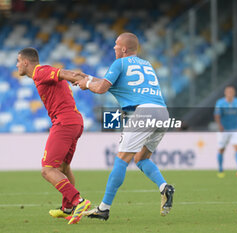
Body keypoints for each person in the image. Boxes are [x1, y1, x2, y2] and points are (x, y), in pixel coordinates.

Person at [74, 32, 174, 221]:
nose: (114, 48)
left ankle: (104, 208)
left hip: (143, 113)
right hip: (162, 112)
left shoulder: (119, 63)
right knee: (141, 158)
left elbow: (102, 88)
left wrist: (87, 83)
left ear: (124, 49)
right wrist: (87, 78)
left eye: (116, 45)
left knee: (121, 160)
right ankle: (164, 187)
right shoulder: (146, 64)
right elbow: (115, 84)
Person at [16, 47, 90, 224]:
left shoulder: (40, 71)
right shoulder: (42, 74)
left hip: (64, 122)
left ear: (26, 62)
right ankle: (67, 209)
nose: (17, 65)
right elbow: (63, 74)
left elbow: (61, 72)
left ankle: (78, 201)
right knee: (63, 168)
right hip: (75, 121)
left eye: (18, 61)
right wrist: (80, 77)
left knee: (47, 169)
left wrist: (77, 78)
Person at [214, 85, 237, 178]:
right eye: (228, 91)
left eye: (231, 91)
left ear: (234, 93)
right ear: (225, 93)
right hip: (224, 130)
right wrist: (219, 125)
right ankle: (220, 169)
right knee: (221, 149)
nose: (230, 93)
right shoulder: (220, 103)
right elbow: (217, 115)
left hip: (235, 129)